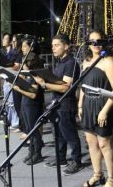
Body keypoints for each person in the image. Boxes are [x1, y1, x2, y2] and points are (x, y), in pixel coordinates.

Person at [34, 34, 83, 175]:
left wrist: (44, 84)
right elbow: (56, 83)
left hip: (66, 104)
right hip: (57, 103)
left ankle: (76, 161)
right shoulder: (60, 62)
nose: (53, 48)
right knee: (59, 134)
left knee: (69, 133)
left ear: (66, 46)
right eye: (52, 45)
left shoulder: (71, 63)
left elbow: (65, 87)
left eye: (56, 45)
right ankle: (61, 158)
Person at [78, 29, 113, 187]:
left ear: (104, 42)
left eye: (99, 41)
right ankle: (97, 175)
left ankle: (112, 179)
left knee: (104, 143)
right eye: (92, 41)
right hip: (88, 104)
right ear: (88, 44)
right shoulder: (86, 61)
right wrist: (80, 105)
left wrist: (104, 110)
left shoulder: (108, 61)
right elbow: (83, 86)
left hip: (103, 105)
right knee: (91, 143)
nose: (96, 44)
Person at [13, 50, 44, 165]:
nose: (22, 65)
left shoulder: (35, 75)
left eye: (23, 63)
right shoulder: (29, 75)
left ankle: (37, 153)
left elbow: (33, 94)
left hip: (32, 106)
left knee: (33, 130)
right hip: (26, 105)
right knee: (29, 129)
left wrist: (18, 89)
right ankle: (31, 151)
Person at [0, 33, 19, 129]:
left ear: (10, 41)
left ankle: (15, 122)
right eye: (3, 38)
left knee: (12, 101)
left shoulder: (14, 52)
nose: (4, 40)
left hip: (12, 77)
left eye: (6, 38)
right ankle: (9, 120)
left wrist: (6, 64)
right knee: (6, 100)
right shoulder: (3, 52)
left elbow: (15, 66)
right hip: (5, 78)